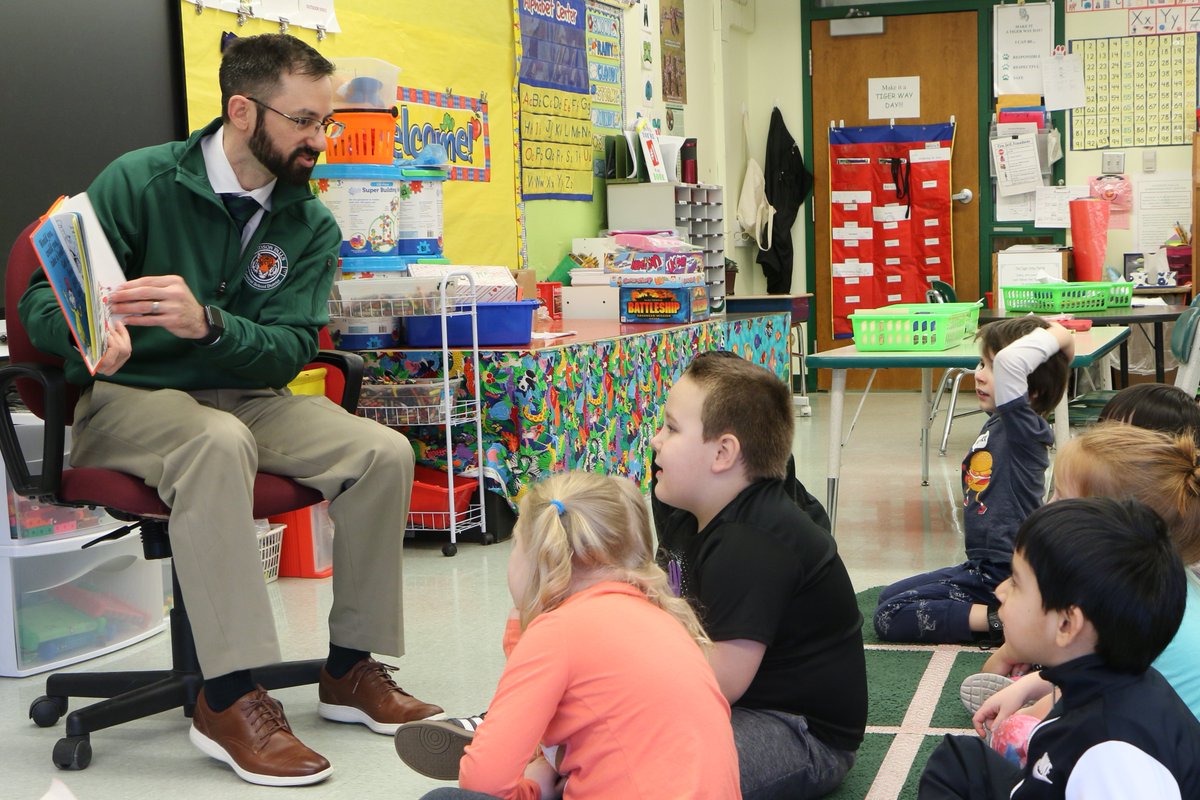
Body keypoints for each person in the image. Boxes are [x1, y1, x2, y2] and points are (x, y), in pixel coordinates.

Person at [19, 34, 441, 786]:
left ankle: (348, 669)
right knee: (215, 443)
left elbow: (286, 352)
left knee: (384, 453)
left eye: (326, 122)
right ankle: (228, 696)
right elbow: (41, 299)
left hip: (252, 396)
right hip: (132, 399)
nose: (320, 139)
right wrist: (93, 336)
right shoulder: (139, 181)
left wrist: (210, 325)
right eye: (305, 121)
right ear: (243, 111)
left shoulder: (309, 223)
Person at [399, 472, 741, 800]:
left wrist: (533, 789)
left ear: (540, 556)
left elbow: (481, 782)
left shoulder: (558, 631)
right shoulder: (663, 618)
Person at [651, 351, 867, 799]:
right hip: (738, 704)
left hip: (797, 730)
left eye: (671, 428)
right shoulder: (684, 509)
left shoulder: (753, 541)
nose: (655, 440)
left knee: (651, 769)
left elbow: (717, 685)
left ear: (723, 453)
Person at [918, 498, 1200, 799]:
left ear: (1066, 625)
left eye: (1016, 582)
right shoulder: (1116, 679)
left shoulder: (1110, 758)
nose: (1000, 590)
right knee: (958, 760)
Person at [961, 423, 1200, 766]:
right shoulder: (1157, 585)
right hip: (1161, 740)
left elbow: (1080, 700)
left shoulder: (1129, 610)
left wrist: (1030, 700)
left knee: (979, 758)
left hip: (1162, 762)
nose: (1045, 506)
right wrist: (1029, 683)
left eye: (1059, 496)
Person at [874, 317, 1073, 645]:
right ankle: (1006, 613)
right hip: (982, 565)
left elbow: (1015, 363)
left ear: (1030, 390)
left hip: (1006, 572)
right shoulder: (1000, 422)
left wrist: (1062, 336)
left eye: (993, 368)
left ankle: (1004, 621)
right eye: (982, 363)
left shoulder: (1023, 428)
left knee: (890, 615)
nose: (979, 374)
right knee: (889, 596)